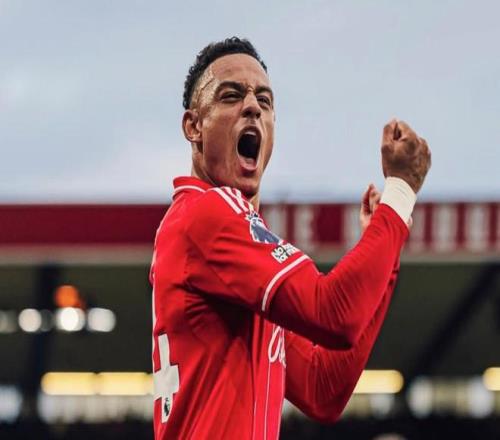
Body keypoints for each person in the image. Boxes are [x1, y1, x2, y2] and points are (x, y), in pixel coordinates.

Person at [150, 37, 431, 439]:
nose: (252, 106)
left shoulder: (232, 263)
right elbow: (334, 314)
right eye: (231, 96)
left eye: (265, 101)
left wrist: (383, 250)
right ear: (193, 127)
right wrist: (400, 194)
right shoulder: (207, 213)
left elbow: (323, 389)